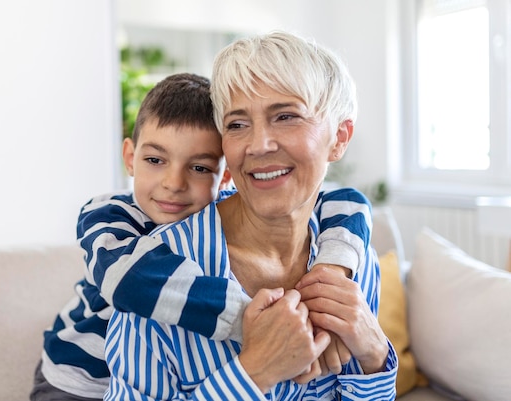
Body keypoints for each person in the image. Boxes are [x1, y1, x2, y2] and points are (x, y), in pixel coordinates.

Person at [32, 73, 373, 400]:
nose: (174, 183)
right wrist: (255, 320)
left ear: (225, 176)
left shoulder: (227, 211)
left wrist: (334, 268)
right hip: (77, 381)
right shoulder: (108, 215)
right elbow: (129, 281)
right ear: (130, 158)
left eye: (199, 168)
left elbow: (348, 200)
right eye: (154, 159)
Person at [104, 32, 398, 400]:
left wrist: (375, 355)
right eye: (238, 124)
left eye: (286, 116)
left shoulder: (354, 262)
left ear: (339, 137)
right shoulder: (156, 275)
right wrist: (253, 371)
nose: (258, 145)